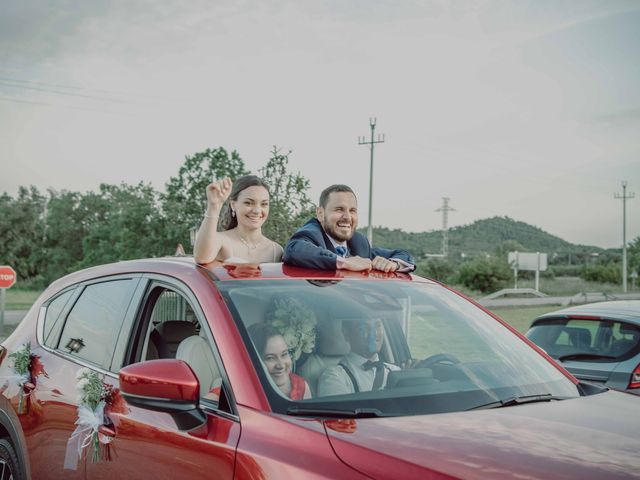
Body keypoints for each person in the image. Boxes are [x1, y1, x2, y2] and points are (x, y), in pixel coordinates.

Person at [283, 184, 415, 272]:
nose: (347, 217)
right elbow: (294, 250)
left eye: (352, 211)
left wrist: (393, 264)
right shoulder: (312, 234)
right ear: (320, 213)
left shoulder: (359, 243)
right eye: (339, 209)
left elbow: (404, 255)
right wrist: (344, 262)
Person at [194, 175, 283, 264]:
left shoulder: (276, 251)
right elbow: (201, 258)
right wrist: (214, 206)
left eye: (264, 204)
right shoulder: (221, 240)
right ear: (233, 205)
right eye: (248, 203)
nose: (257, 211)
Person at [316, 317, 399, 396]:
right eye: (364, 328)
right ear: (346, 333)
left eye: (377, 326)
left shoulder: (396, 371)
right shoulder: (334, 376)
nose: (374, 333)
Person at [248, 323, 312, 400]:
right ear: (253, 361)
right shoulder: (248, 392)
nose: (281, 365)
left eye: (284, 354)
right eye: (270, 358)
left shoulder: (301, 386)